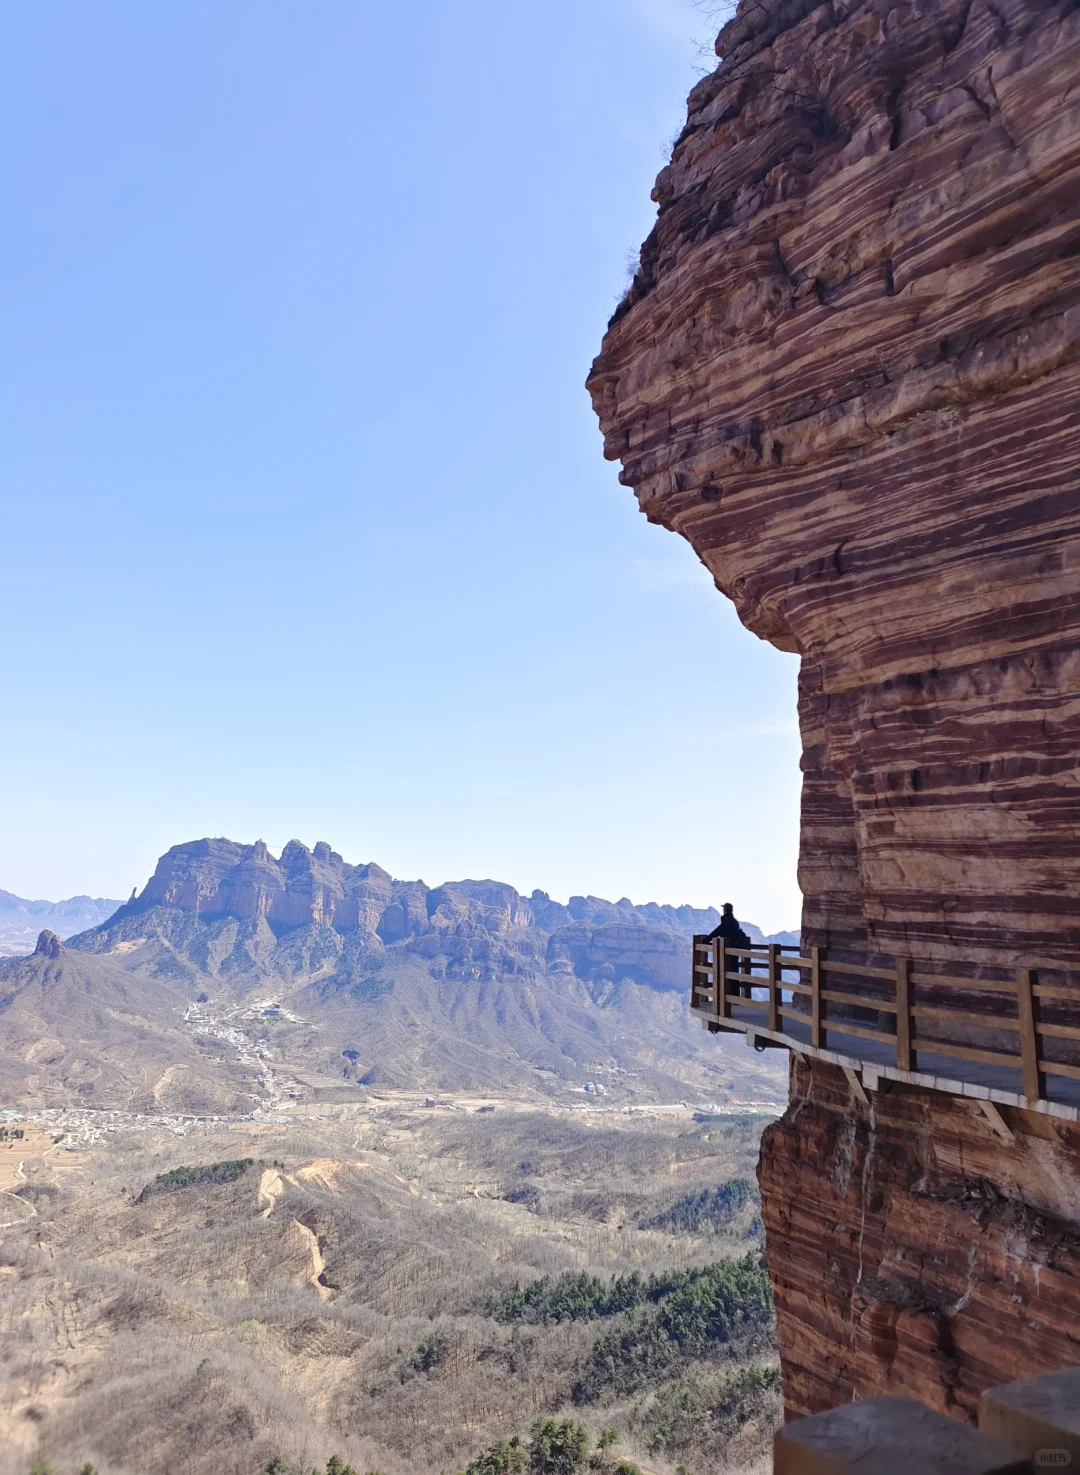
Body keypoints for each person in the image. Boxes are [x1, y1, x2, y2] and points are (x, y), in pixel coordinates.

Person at [707, 903, 752, 996]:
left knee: (728, 971)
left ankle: (730, 995)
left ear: (725, 910)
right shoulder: (734, 921)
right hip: (735, 948)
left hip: (730, 950)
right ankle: (734, 995)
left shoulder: (727, 921)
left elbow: (718, 931)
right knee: (733, 971)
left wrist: (707, 939)